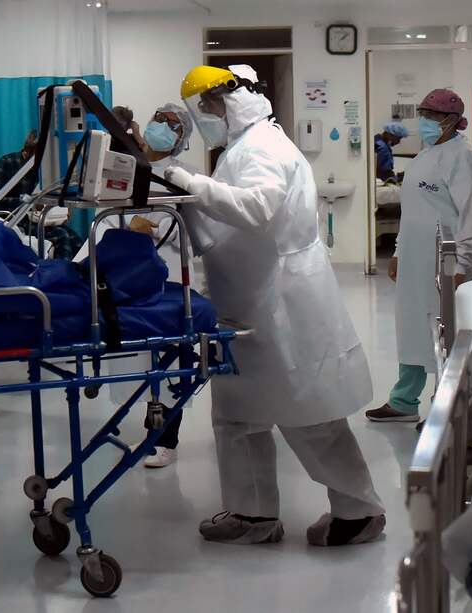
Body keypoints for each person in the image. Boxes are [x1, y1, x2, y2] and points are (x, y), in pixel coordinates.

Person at [165, 64, 385, 546]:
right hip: (247, 298)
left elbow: (258, 207)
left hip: (280, 301)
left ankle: (359, 511)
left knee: (307, 411)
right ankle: (252, 514)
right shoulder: (242, 147)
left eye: (210, 104)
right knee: (238, 412)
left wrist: (188, 184)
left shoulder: (263, 146)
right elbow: (229, 214)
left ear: (235, 99)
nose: (205, 114)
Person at [74, 103, 197, 468]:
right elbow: (107, 215)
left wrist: (154, 225)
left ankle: (164, 438)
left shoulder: (180, 175)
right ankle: (138, 412)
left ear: (181, 139)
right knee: (131, 352)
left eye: (173, 125)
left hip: (165, 273)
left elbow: (190, 230)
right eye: (160, 118)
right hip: (124, 272)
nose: (163, 126)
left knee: (167, 359)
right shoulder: (128, 167)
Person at [366, 89, 472, 423]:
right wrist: (398, 252)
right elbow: (412, 212)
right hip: (416, 258)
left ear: (450, 121)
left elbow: (469, 216)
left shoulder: (464, 158)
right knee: (412, 325)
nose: (424, 122)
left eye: (431, 115)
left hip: (445, 261)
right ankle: (404, 400)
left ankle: (444, 406)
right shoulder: (423, 156)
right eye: (422, 114)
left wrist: (462, 263)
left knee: (444, 330)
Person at [0, 131, 84, 260]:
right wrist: (30, 203)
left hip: (41, 219)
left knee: (77, 240)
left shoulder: (44, 169)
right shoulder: (8, 162)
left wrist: (62, 210)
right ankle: (61, 277)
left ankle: (82, 276)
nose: (40, 165)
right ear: (27, 152)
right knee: (62, 237)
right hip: (17, 219)